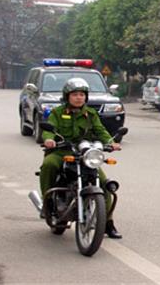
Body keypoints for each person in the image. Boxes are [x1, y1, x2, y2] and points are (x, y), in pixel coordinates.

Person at [40, 78, 123, 239]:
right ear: (67, 96)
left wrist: (111, 143)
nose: (79, 98)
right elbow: (49, 129)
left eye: (82, 95)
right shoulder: (58, 113)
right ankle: (47, 203)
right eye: (75, 94)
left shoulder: (90, 114)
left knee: (104, 183)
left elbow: (101, 131)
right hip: (62, 151)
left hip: (85, 153)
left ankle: (107, 223)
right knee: (49, 165)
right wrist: (49, 139)